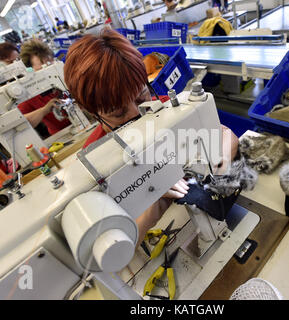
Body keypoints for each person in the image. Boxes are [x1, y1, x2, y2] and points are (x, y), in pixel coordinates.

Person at [63, 28, 239, 246]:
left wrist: (220, 165)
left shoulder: (164, 108)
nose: (137, 114)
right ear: (90, 111)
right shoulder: (94, 162)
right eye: (118, 113)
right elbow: (114, 244)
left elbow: (225, 135)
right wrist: (154, 199)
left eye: (141, 97)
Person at [17, 39, 70, 136]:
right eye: (41, 69)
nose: (49, 71)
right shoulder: (29, 92)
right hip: (62, 135)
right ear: (30, 71)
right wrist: (44, 110)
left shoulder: (64, 74)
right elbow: (20, 123)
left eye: (51, 65)